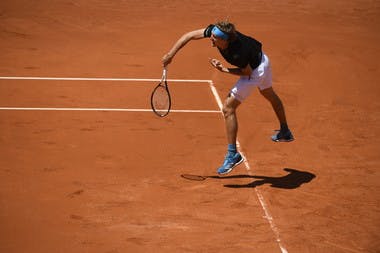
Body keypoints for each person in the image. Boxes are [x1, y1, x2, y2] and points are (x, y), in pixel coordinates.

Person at [162, 21, 294, 175]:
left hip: (255, 70)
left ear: (224, 40)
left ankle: (233, 155)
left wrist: (224, 69)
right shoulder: (217, 32)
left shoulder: (238, 52)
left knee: (228, 108)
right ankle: (285, 131)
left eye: (214, 38)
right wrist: (171, 54)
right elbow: (190, 35)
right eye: (211, 35)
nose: (210, 39)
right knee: (268, 93)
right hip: (263, 59)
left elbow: (247, 73)